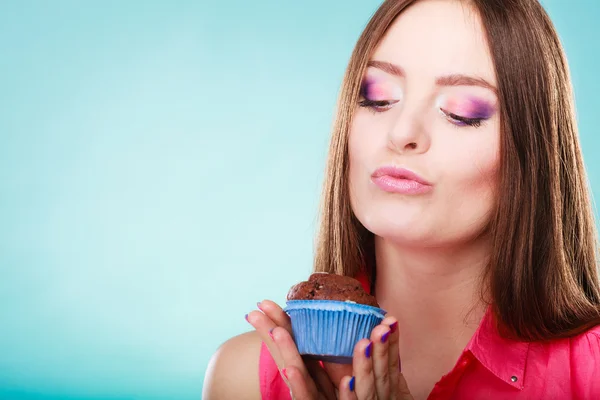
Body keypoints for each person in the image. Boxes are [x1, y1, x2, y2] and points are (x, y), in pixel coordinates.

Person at [203, 0, 600, 398]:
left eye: (461, 112)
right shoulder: (242, 381)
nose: (402, 132)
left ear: (533, 151)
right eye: (377, 97)